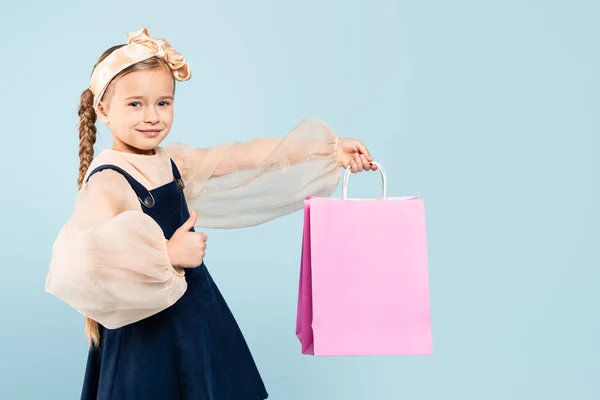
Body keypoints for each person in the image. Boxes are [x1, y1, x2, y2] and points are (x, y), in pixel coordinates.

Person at [45, 28, 377, 400]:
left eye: (163, 103)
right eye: (135, 104)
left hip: (193, 317)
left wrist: (328, 150)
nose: (152, 117)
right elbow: (83, 261)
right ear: (103, 110)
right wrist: (167, 255)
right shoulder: (108, 180)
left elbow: (243, 156)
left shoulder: (170, 161)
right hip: (146, 334)